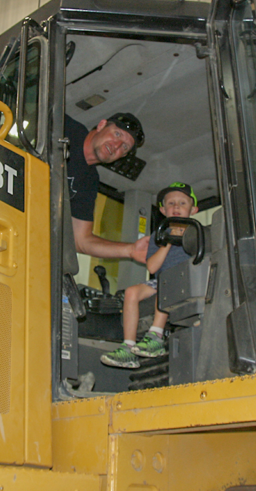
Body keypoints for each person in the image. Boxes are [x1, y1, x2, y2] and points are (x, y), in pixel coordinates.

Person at [100, 182, 199, 369]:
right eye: (171, 203)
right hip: (161, 279)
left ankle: (155, 336)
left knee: (165, 284)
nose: (176, 207)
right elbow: (153, 267)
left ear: (193, 210)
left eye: (182, 203)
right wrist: (168, 242)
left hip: (186, 280)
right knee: (131, 292)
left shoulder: (197, 233)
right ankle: (128, 348)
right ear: (163, 210)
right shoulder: (158, 236)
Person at [65, 112, 149, 262]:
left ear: (122, 156)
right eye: (117, 134)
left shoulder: (89, 181)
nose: (116, 145)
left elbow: (81, 240)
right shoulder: (65, 127)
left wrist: (131, 250)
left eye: (124, 147)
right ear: (101, 125)